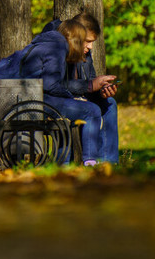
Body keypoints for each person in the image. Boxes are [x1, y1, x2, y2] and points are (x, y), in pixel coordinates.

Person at [22, 12, 119, 165]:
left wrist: (101, 91)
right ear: (76, 36)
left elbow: (90, 80)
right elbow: (52, 84)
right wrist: (89, 85)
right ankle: (89, 164)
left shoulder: (86, 52)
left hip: (77, 96)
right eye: (87, 41)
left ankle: (109, 164)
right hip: (54, 99)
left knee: (110, 104)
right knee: (90, 109)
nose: (90, 46)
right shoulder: (56, 47)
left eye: (92, 42)